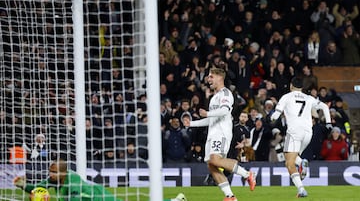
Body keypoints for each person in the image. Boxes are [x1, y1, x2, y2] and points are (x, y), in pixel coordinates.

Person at [183, 67, 256, 201]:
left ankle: (247, 174)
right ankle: (230, 196)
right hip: (212, 134)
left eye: (211, 77)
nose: (208, 79)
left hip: (222, 133)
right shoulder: (214, 97)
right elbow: (211, 119)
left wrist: (208, 113)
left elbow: (224, 110)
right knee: (211, 165)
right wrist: (191, 124)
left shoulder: (226, 94)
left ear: (219, 77)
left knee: (215, 160)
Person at [270, 77, 332, 198]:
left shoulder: (286, 97)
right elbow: (325, 107)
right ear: (302, 87)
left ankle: (301, 189)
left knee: (289, 163)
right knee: (292, 157)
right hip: (308, 133)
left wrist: (271, 119)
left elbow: (276, 115)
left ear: (291, 86)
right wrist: (328, 123)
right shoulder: (309, 98)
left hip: (294, 132)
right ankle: (301, 162)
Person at [13, 159, 187, 201]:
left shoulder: (72, 181)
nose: (50, 175)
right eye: (50, 172)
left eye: (53, 172)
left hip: (103, 198)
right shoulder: (54, 179)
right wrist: (23, 185)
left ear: (62, 173)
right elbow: (37, 188)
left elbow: (74, 199)